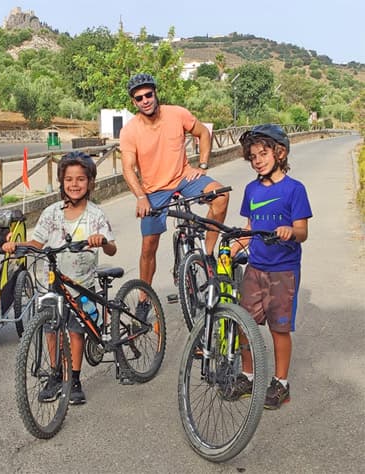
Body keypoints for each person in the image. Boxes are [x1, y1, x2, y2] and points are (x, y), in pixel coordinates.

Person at [2, 151, 117, 405]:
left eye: (80, 179)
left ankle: (74, 378)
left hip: (80, 284)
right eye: (68, 179)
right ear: (61, 182)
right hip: (51, 281)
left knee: (76, 331)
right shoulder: (51, 212)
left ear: (90, 183)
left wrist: (102, 241)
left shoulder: (95, 215)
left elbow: (111, 249)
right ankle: (55, 374)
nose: (74, 184)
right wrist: (17, 245)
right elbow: (37, 242)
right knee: (50, 330)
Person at [225, 124, 312, 409]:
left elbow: (303, 231)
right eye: (252, 156)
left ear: (280, 153)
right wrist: (231, 249)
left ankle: (281, 383)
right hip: (256, 268)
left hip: (283, 270)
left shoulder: (294, 189)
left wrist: (290, 230)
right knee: (244, 324)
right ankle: (248, 376)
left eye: (263, 153)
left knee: (279, 328)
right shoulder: (251, 189)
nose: (258, 160)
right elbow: (250, 229)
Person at [119, 73, 229, 292]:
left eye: (148, 94)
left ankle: (207, 254)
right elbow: (127, 169)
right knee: (148, 246)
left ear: (155, 93)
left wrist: (203, 165)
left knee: (221, 196)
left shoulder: (177, 114)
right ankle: (144, 298)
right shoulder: (130, 130)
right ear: (134, 102)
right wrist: (141, 197)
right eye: (139, 98)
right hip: (154, 191)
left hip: (185, 178)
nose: (145, 100)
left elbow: (203, 133)